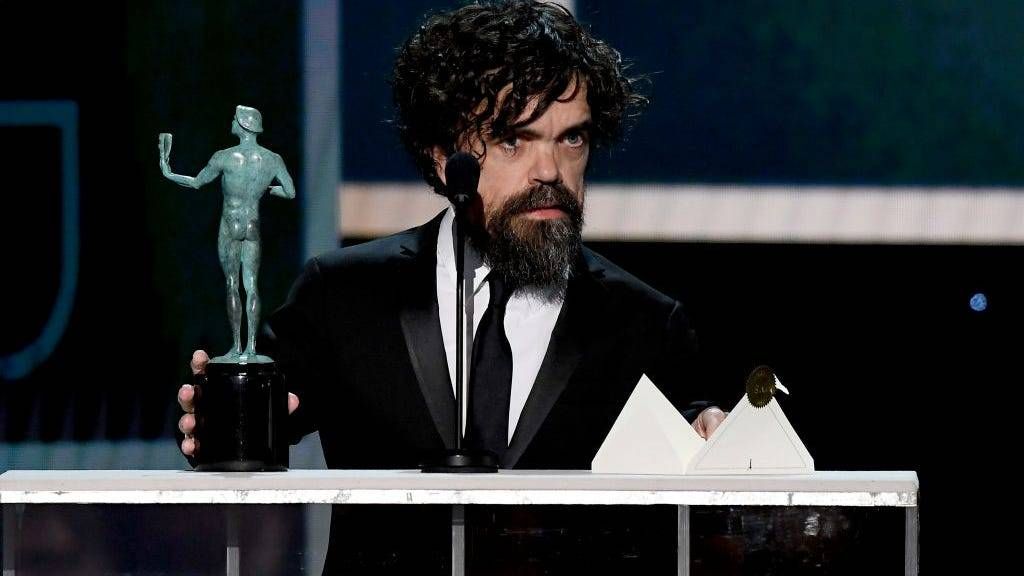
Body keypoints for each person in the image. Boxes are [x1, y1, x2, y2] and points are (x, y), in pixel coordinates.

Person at [177, 1, 725, 572]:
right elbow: (248, 412)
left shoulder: (643, 323)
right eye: (513, 140)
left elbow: (698, 433)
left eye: (571, 140)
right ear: (444, 158)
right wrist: (209, 421)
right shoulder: (342, 294)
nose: (549, 171)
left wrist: (714, 433)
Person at [160, 105, 296, 361]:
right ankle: (251, 348)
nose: (232, 122)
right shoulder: (272, 159)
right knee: (252, 286)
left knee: (233, 284)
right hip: (252, 225)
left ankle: (237, 346)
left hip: (230, 224)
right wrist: (271, 190)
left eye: (235, 119)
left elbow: (197, 182)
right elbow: (290, 192)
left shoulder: (225, 156)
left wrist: (168, 172)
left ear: (244, 125)